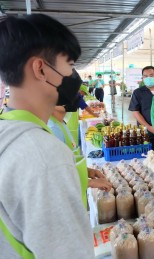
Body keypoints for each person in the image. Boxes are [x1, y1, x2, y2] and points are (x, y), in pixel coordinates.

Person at [0, 14, 94, 258]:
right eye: (71, 65)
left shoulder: (7, 131)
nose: (74, 77)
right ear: (40, 68)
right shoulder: (44, 155)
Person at [48, 105, 112, 194]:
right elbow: (54, 175)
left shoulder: (61, 123)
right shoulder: (53, 129)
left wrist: (87, 171)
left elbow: (66, 162)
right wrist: (89, 182)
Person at [129, 66, 154, 151]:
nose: (148, 78)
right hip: (145, 132)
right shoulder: (138, 92)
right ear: (142, 78)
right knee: (147, 156)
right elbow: (135, 111)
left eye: (151, 75)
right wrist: (149, 127)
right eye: (145, 76)